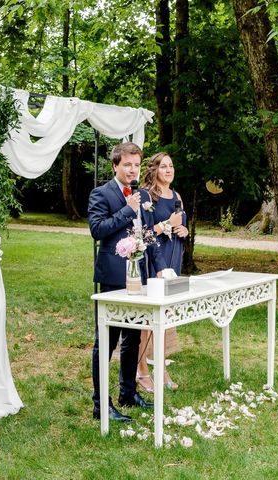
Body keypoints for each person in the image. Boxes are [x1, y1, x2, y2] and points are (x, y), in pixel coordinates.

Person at [88, 142, 165, 422]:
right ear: (115, 166)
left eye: (136, 165)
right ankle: (101, 405)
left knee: (133, 338)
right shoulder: (101, 194)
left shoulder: (142, 194)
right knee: (106, 343)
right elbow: (97, 231)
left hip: (140, 277)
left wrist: (160, 268)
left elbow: (147, 233)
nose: (133, 170)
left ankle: (128, 393)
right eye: (127, 165)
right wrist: (126, 211)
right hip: (112, 278)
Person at [136, 152, 188, 393]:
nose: (169, 170)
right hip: (153, 259)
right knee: (148, 319)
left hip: (173, 255)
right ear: (154, 170)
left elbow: (181, 223)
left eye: (171, 166)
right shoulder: (147, 196)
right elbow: (144, 233)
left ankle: (162, 369)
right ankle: (141, 371)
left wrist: (183, 230)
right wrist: (167, 224)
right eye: (164, 166)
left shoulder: (176, 196)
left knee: (166, 317)